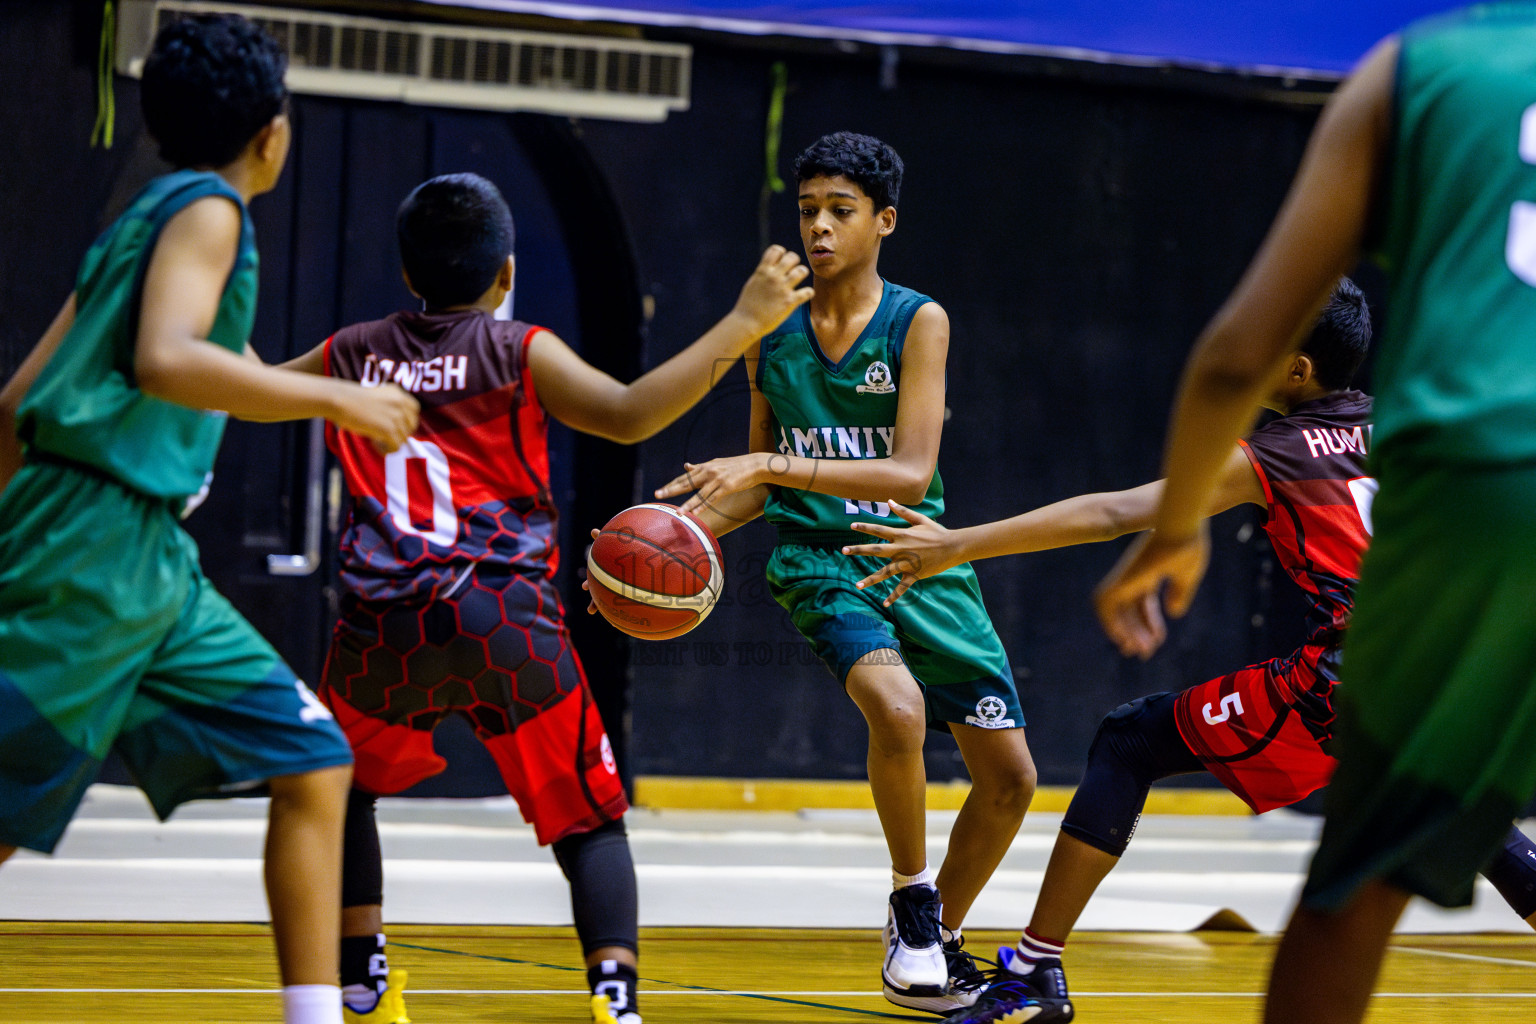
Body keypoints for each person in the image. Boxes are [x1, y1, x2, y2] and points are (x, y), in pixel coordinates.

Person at [847, 279, 1536, 1024]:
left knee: (1131, 739)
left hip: (1353, 678)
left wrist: (956, 545)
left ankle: (1034, 974)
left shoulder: (1276, 452)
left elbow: (1114, 513)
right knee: (1461, 813)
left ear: (1298, 370)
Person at [1087, 6, 1536, 1023]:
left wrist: (1173, 533)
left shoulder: (1417, 69)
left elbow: (1239, 349)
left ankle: (1031, 962)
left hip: (1481, 481)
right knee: (1475, 812)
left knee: (1354, 891)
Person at [280, 171, 813, 1024]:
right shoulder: (518, 348)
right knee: (591, 823)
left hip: (385, 632)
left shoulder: (354, 348)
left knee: (340, 791)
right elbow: (633, 413)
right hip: (506, 626)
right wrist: (745, 320)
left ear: (408, 274)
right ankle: (614, 995)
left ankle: (361, 976)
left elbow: (251, 388)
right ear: (505, 275)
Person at [0, 15, 419, 1024]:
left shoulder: (138, 219)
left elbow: (19, 401)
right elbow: (167, 359)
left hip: (133, 555)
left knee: (314, 757)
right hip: (100, 549)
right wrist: (338, 401)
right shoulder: (211, 210)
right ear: (273, 131)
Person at [655, 131, 1035, 1014]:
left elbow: (909, 473)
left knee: (1011, 778)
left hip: (918, 555)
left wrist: (772, 470)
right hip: (820, 561)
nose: (818, 228)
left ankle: (936, 937)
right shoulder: (770, 331)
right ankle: (911, 898)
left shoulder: (919, 320)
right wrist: (666, 539)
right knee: (897, 710)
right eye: (807, 210)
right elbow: (751, 484)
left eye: (840, 210)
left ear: (884, 221)